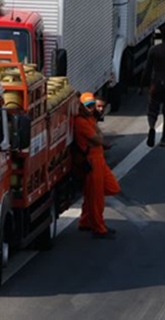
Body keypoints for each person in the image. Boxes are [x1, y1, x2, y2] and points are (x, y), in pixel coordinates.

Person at [74, 93, 120, 239]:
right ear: (82, 107)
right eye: (89, 106)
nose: (93, 108)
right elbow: (97, 139)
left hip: (98, 158)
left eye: (94, 105)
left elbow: (98, 136)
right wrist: (102, 141)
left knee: (110, 188)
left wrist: (100, 139)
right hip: (92, 161)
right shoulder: (81, 122)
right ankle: (99, 228)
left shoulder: (90, 119)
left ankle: (86, 220)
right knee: (96, 197)